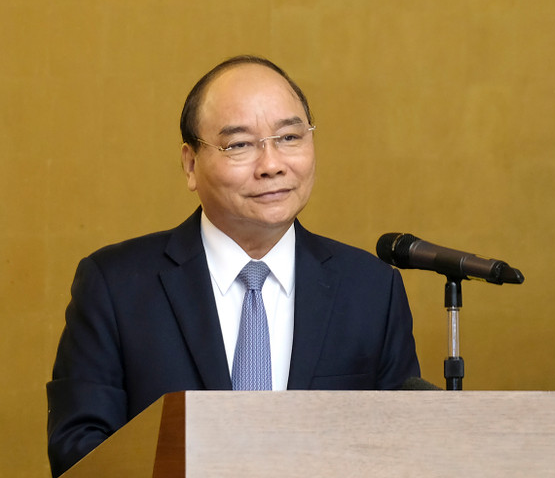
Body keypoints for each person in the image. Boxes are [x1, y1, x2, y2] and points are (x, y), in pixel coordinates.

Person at [47, 55, 420, 477]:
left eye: (289, 137)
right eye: (240, 145)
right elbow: (78, 450)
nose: (272, 165)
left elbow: (404, 448)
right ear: (190, 164)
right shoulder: (115, 286)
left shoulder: (371, 290)